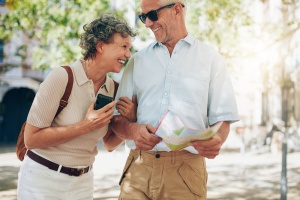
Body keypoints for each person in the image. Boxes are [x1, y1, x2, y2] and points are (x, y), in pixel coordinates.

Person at [110, 0, 240, 199]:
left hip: (185, 172)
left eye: (152, 15)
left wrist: (217, 140)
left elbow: (223, 120)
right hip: (137, 170)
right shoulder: (137, 61)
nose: (147, 24)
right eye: (143, 17)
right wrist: (132, 130)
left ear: (177, 10)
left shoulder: (211, 59)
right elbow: (116, 120)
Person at [17, 13, 136, 200]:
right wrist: (84, 126)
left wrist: (131, 119)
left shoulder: (113, 89)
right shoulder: (62, 77)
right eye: (123, 47)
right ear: (100, 46)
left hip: (83, 183)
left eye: (129, 48)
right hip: (42, 180)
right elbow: (31, 139)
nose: (128, 55)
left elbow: (110, 144)